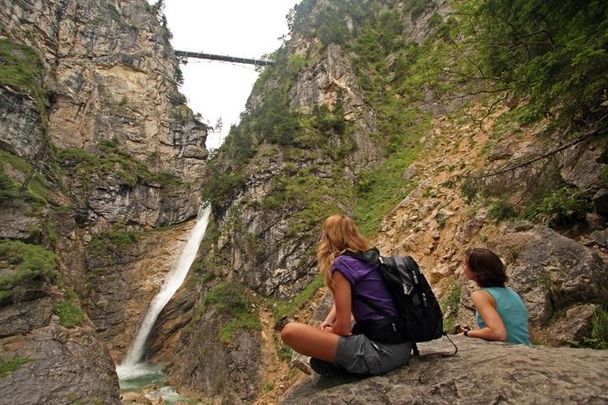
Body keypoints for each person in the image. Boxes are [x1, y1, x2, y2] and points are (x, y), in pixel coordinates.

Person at [279, 214, 412, 376]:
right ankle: (343, 362)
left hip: (382, 353)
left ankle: (349, 365)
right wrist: (328, 322)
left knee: (289, 331)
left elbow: (342, 328)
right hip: (402, 346)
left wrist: (326, 333)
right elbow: (345, 302)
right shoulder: (368, 257)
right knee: (319, 357)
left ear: (329, 238)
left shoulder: (342, 265)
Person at [461, 248, 530, 345]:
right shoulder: (512, 293)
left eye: (464, 264)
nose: (462, 268)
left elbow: (498, 333)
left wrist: (468, 333)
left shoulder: (480, 295)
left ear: (476, 270)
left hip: (510, 353)